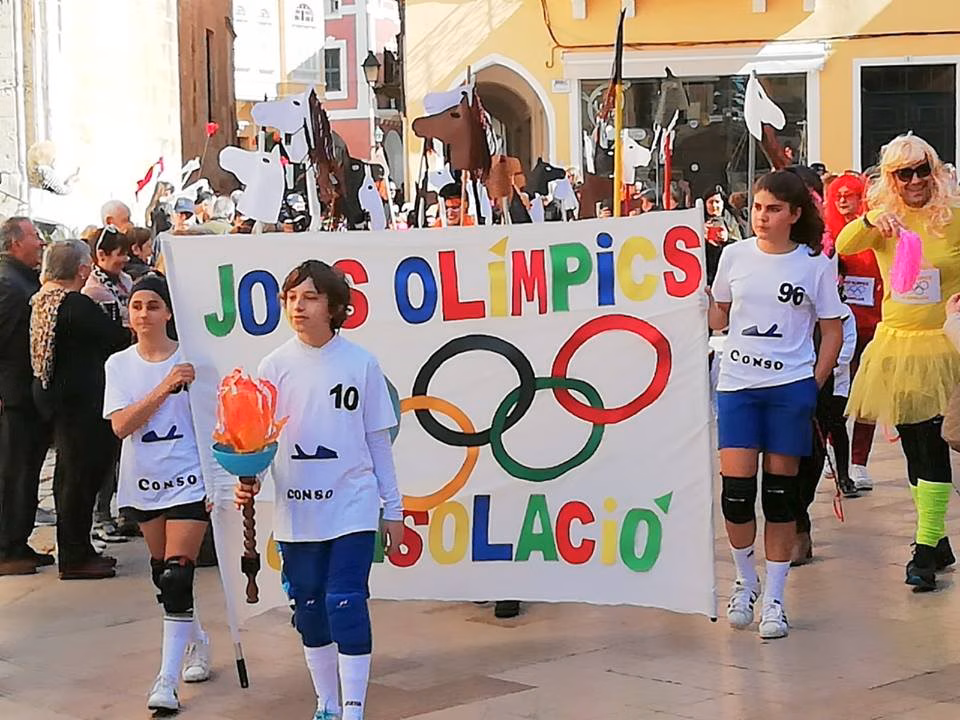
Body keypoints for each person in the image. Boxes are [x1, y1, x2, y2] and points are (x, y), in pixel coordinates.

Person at [235, 260, 403, 720]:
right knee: (309, 607)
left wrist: (395, 510)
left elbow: (377, 440)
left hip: (351, 504)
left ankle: (353, 707)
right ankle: (326, 702)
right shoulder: (273, 366)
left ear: (334, 305)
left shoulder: (361, 363)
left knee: (344, 600)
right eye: (291, 298)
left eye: (308, 297)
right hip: (297, 510)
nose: (298, 307)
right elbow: (259, 440)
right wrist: (247, 479)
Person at [708, 170, 844, 638]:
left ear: (794, 215)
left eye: (773, 210)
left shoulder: (813, 263)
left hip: (789, 388)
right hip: (738, 385)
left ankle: (777, 599)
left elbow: (832, 329)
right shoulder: (733, 256)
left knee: (781, 498)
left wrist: (815, 383)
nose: (762, 218)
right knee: (736, 494)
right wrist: (682, 296)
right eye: (758, 208)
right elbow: (719, 315)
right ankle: (745, 581)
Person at [836, 133, 960, 592]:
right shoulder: (886, 221)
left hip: (943, 345)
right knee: (913, 446)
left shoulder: (953, 218)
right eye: (902, 173)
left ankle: (925, 549)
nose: (914, 181)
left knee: (933, 444)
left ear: (935, 171)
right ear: (890, 178)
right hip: (898, 346)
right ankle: (938, 539)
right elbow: (845, 244)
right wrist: (871, 217)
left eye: (921, 170)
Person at [103, 274, 212, 713]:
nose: (143, 314)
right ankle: (198, 640)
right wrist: (164, 387)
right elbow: (121, 425)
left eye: (152, 305)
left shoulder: (194, 359)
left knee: (177, 575)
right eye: (136, 306)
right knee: (162, 578)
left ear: (169, 312)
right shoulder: (118, 365)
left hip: (189, 476)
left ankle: (166, 681)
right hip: (144, 481)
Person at [29, 239, 130, 579]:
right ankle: (74, 556)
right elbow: (116, 338)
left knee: (69, 479)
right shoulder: (75, 304)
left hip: (58, 402)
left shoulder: (43, 299)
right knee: (80, 480)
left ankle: (77, 548)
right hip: (81, 406)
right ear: (83, 269)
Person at [0, 217, 54, 575]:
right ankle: (7, 547)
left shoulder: (19, 278)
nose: (41, 243)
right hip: (12, 397)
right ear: (16, 242)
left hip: (24, 395)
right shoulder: (7, 283)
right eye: (35, 237)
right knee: (12, 473)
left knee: (25, 472)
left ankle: (18, 541)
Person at [793, 289, 859, 565]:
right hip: (783, 379)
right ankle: (793, 523)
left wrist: (819, 376)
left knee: (816, 447)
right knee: (782, 458)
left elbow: (843, 350)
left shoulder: (840, 313)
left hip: (824, 385)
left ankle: (799, 522)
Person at [826, 173, 881, 491]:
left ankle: (858, 461)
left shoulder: (876, 233)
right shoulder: (826, 235)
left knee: (868, 395)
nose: (844, 200)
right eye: (838, 195)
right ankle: (839, 453)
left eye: (850, 194)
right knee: (836, 396)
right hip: (838, 327)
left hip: (875, 323)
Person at [703, 186, 743, 286]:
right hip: (707, 271)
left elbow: (740, 244)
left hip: (728, 270)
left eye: (717, 202)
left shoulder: (732, 220)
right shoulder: (699, 220)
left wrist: (727, 238)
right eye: (711, 202)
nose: (714, 206)